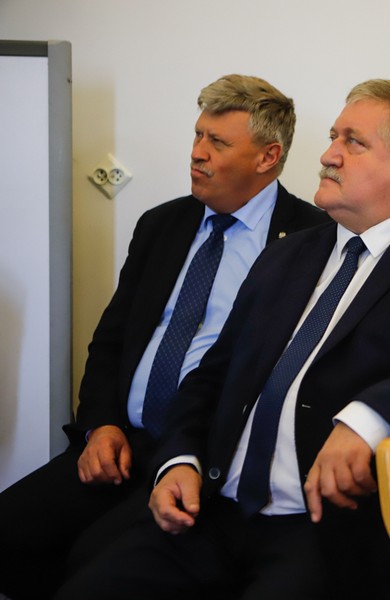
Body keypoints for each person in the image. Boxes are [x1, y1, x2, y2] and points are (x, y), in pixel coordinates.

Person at [54, 79, 390, 600]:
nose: (328, 155)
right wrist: (180, 459)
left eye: (353, 142)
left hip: (322, 528)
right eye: (333, 137)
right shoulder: (288, 253)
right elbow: (212, 376)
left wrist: (368, 418)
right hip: (212, 509)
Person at [0, 74, 329, 600]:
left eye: (217, 142)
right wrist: (101, 424)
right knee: (10, 530)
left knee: (91, 561)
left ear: (268, 157)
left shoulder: (312, 240)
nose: (197, 153)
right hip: (123, 441)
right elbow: (112, 339)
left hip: (201, 454)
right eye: (198, 135)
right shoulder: (162, 224)